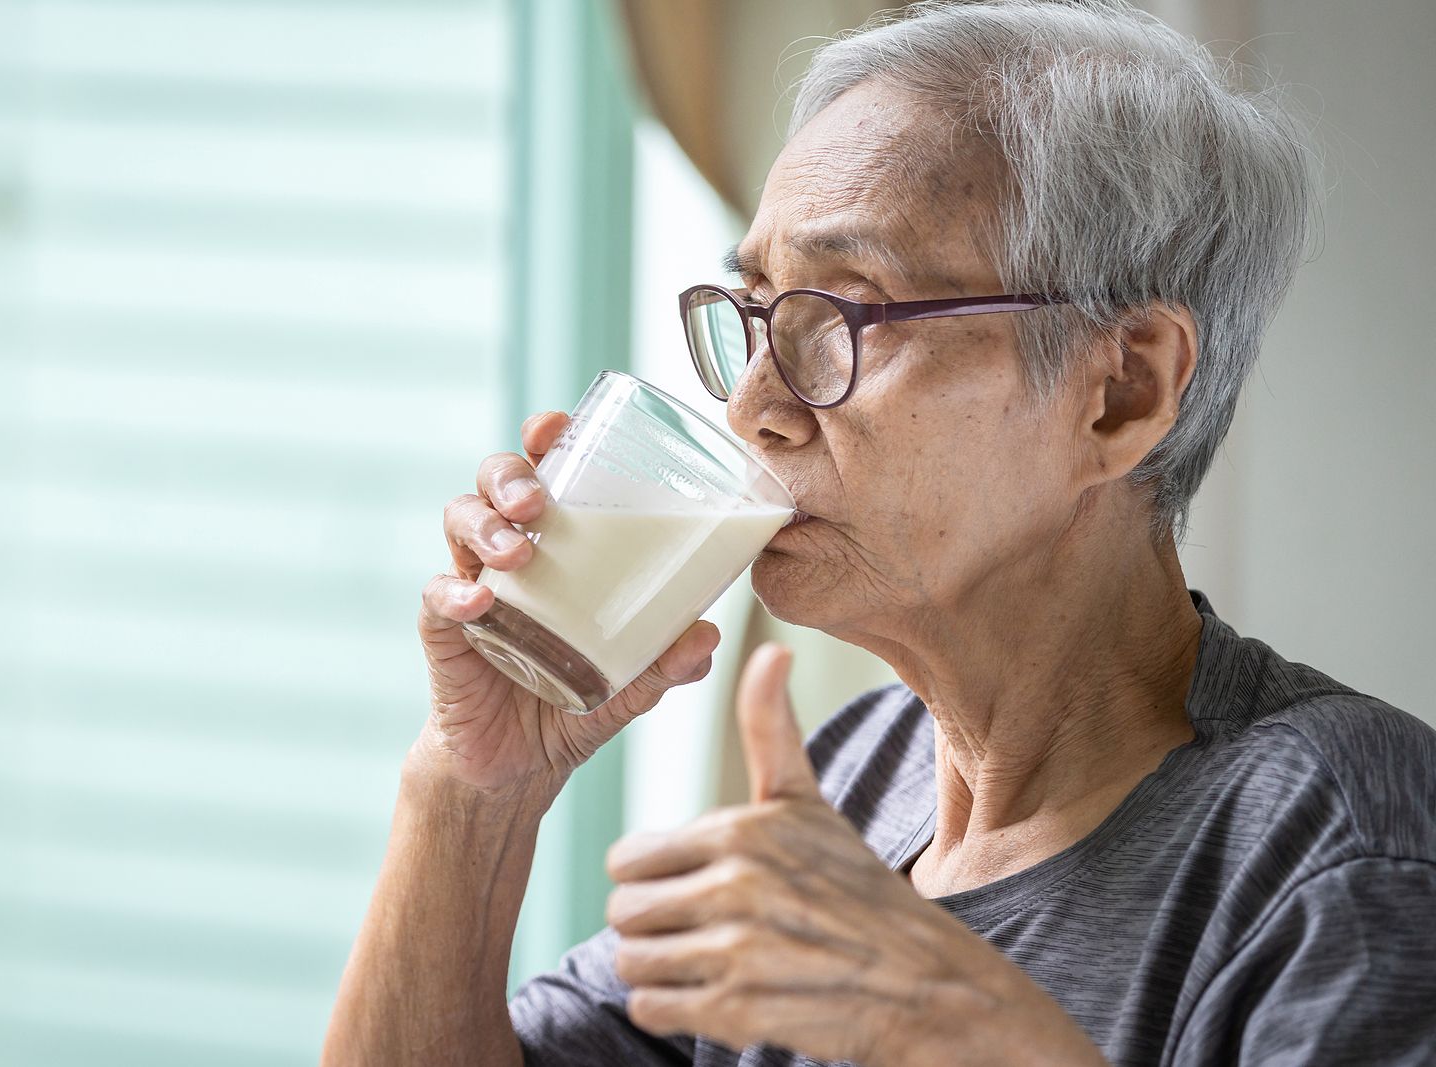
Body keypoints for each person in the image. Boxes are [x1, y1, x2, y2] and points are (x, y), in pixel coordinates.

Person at [322, 1, 1436, 1063]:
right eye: (755, 311)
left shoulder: (1344, 835)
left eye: (842, 314)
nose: (752, 402)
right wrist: (471, 789)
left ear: (1120, 391)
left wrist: (960, 1024)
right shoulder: (860, 772)